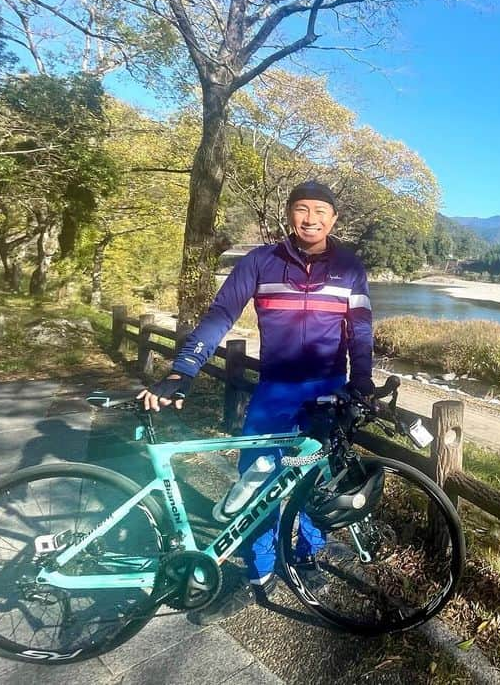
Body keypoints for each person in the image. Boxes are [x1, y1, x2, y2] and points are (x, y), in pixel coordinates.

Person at [137, 180, 374, 619]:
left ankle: (306, 554)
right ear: (289, 213)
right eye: (302, 209)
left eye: (321, 211)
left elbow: (359, 329)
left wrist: (361, 383)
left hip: (327, 392)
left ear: (334, 219)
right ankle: (259, 573)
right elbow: (220, 316)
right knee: (257, 483)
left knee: (318, 479)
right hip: (274, 392)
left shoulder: (349, 268)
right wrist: (183, 369)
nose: (311, 218)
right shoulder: (260, 261)